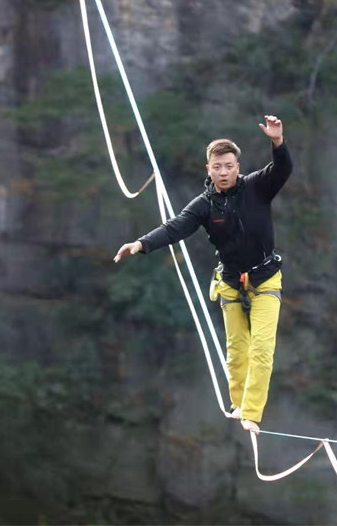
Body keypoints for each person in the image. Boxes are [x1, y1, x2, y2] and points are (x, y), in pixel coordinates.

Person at [114, 115, 293, 433]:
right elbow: (175, 228)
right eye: (217, 167)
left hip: (265, 278)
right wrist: (141, 244)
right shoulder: (204, 205)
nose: (223, 172)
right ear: (208, 170)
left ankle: (252, 413)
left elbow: (282, 170)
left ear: (237, 166)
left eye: (228, 165)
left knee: (261, 349)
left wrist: (277, 142)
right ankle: (239, 405)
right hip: (230, 282)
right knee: (237, 353)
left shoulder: (257, 187)